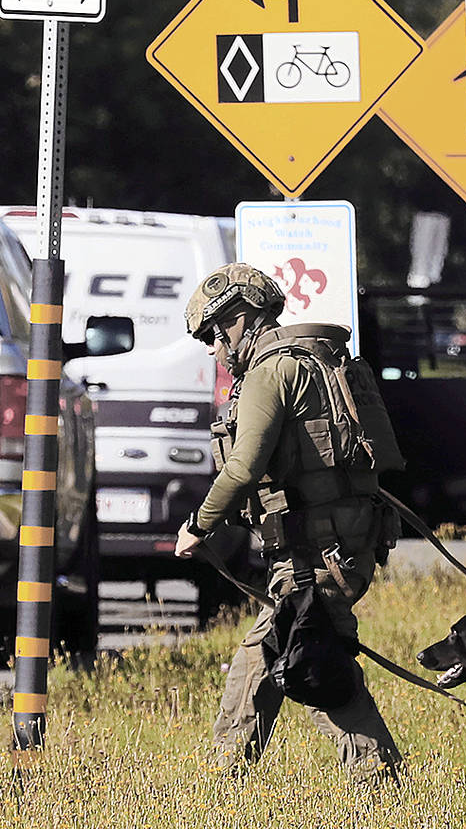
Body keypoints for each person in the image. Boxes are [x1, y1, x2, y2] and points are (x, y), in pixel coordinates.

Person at [173, 264, 404, 785]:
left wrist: (198, 525)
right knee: (263, 661)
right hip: (337, 546)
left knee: (314, 669)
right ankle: (221, 784)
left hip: (315, 556)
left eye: (214, 335)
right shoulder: (319, 361)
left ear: (239, 320)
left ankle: (385, 791)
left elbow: (243, 466)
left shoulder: (271, 372)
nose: (213, 350)